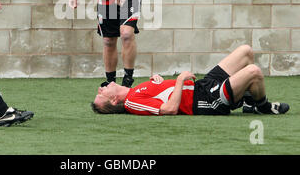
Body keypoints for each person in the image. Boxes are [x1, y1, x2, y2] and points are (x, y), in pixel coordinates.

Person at [91, 45, 290, 116]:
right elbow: (170, 109)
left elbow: (162, 97)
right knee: (253, 71)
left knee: (245, 52)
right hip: (206, 102)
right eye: (101, 94)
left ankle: (249, 103)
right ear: (115, 100)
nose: (100, 89)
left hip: (201, 86)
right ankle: (262, 106)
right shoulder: (132, 102)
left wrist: (158, 81)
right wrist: (178, 80)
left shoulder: (135, 92)